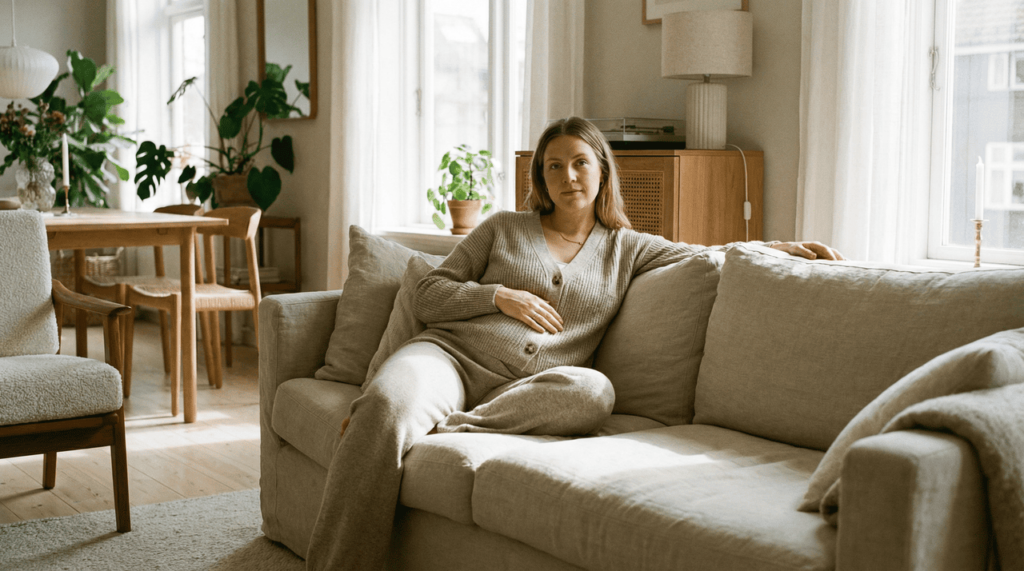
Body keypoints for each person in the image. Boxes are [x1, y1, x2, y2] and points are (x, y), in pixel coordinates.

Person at [305, 117, 843, 570]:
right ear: (540, 175)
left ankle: (454, 425)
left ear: (602, 169)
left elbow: (704, 253)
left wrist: (777, 246)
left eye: (580, 162)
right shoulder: (503, 227)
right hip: (450, 357)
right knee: (384, 403)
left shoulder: (626, 248)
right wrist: (499, 297)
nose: (568, 176)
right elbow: (427, 292)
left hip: (529, 391)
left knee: (594, 391)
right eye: (554, 165)